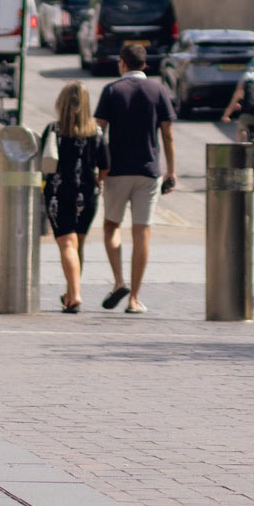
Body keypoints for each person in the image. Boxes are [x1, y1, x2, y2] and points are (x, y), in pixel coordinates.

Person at [94, 42, 177, 314]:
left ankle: (119, 282)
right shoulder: (158, 89)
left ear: (122, 63)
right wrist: (171, 170)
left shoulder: (112, 90)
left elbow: (98, 133)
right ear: (145, 64)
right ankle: (134, 299)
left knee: (111, 226)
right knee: (141, 231)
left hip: (116, 171)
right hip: (148, 171)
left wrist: (97, 168)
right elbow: (167, 132)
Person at [39, 81, 108, 313]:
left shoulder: (53, 130)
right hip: (87, 194)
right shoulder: (96, 132)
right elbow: (105, 166)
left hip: (59, 193)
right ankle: (70, 294)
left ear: (62, 103)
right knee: (77, 245)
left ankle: (75, 295)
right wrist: (96, 182)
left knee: (67, 244)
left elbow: (43, 162)